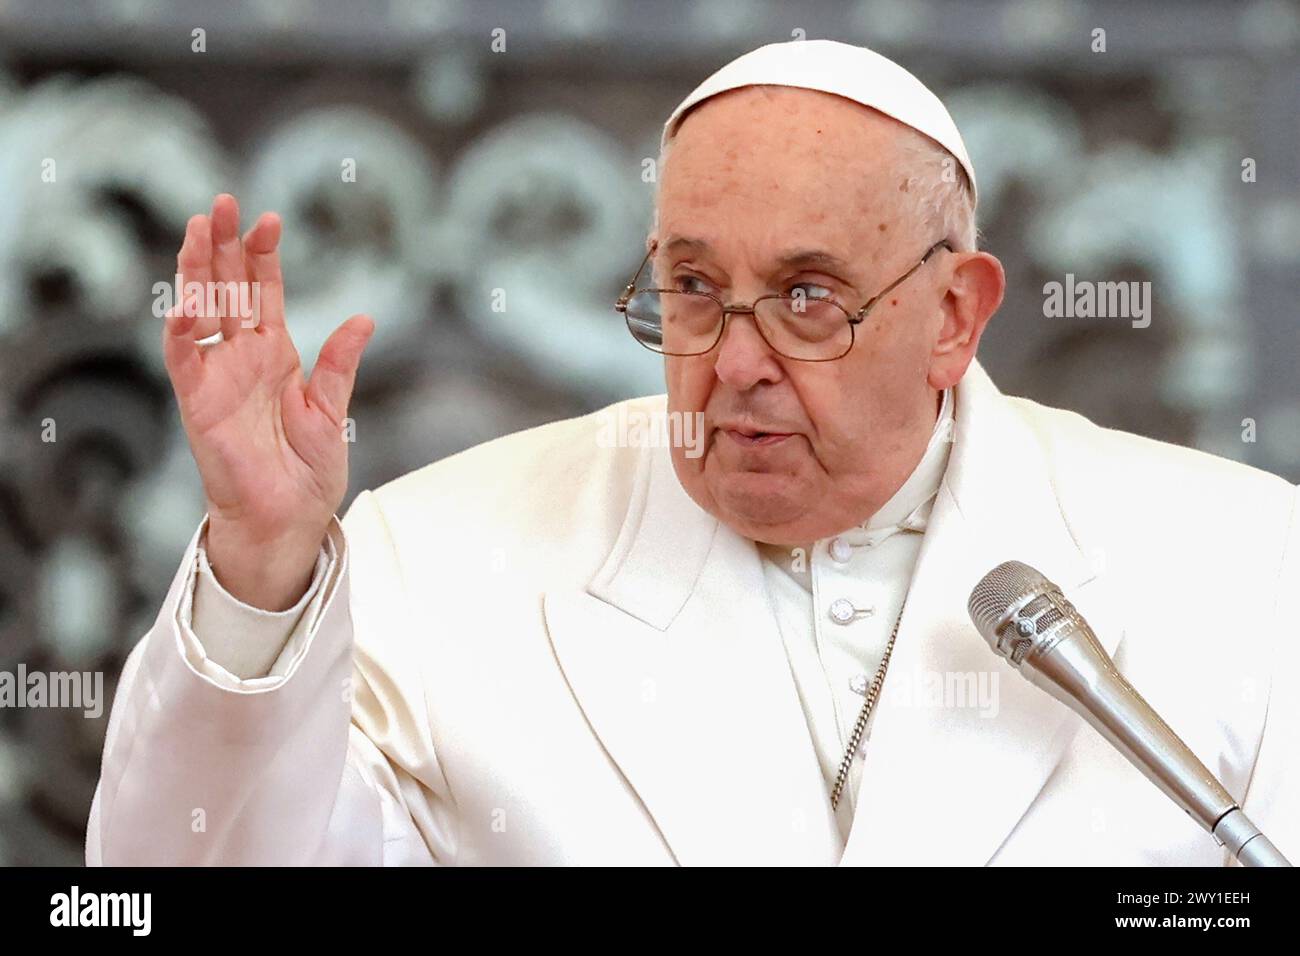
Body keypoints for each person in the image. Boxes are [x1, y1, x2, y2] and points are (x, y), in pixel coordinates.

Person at [87, 39, 1298, 866]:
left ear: (956, 315)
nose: (733, 361)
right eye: (694, 288)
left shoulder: (1243, 565)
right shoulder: (440, 558)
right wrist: (261, 564)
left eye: (809, 296)